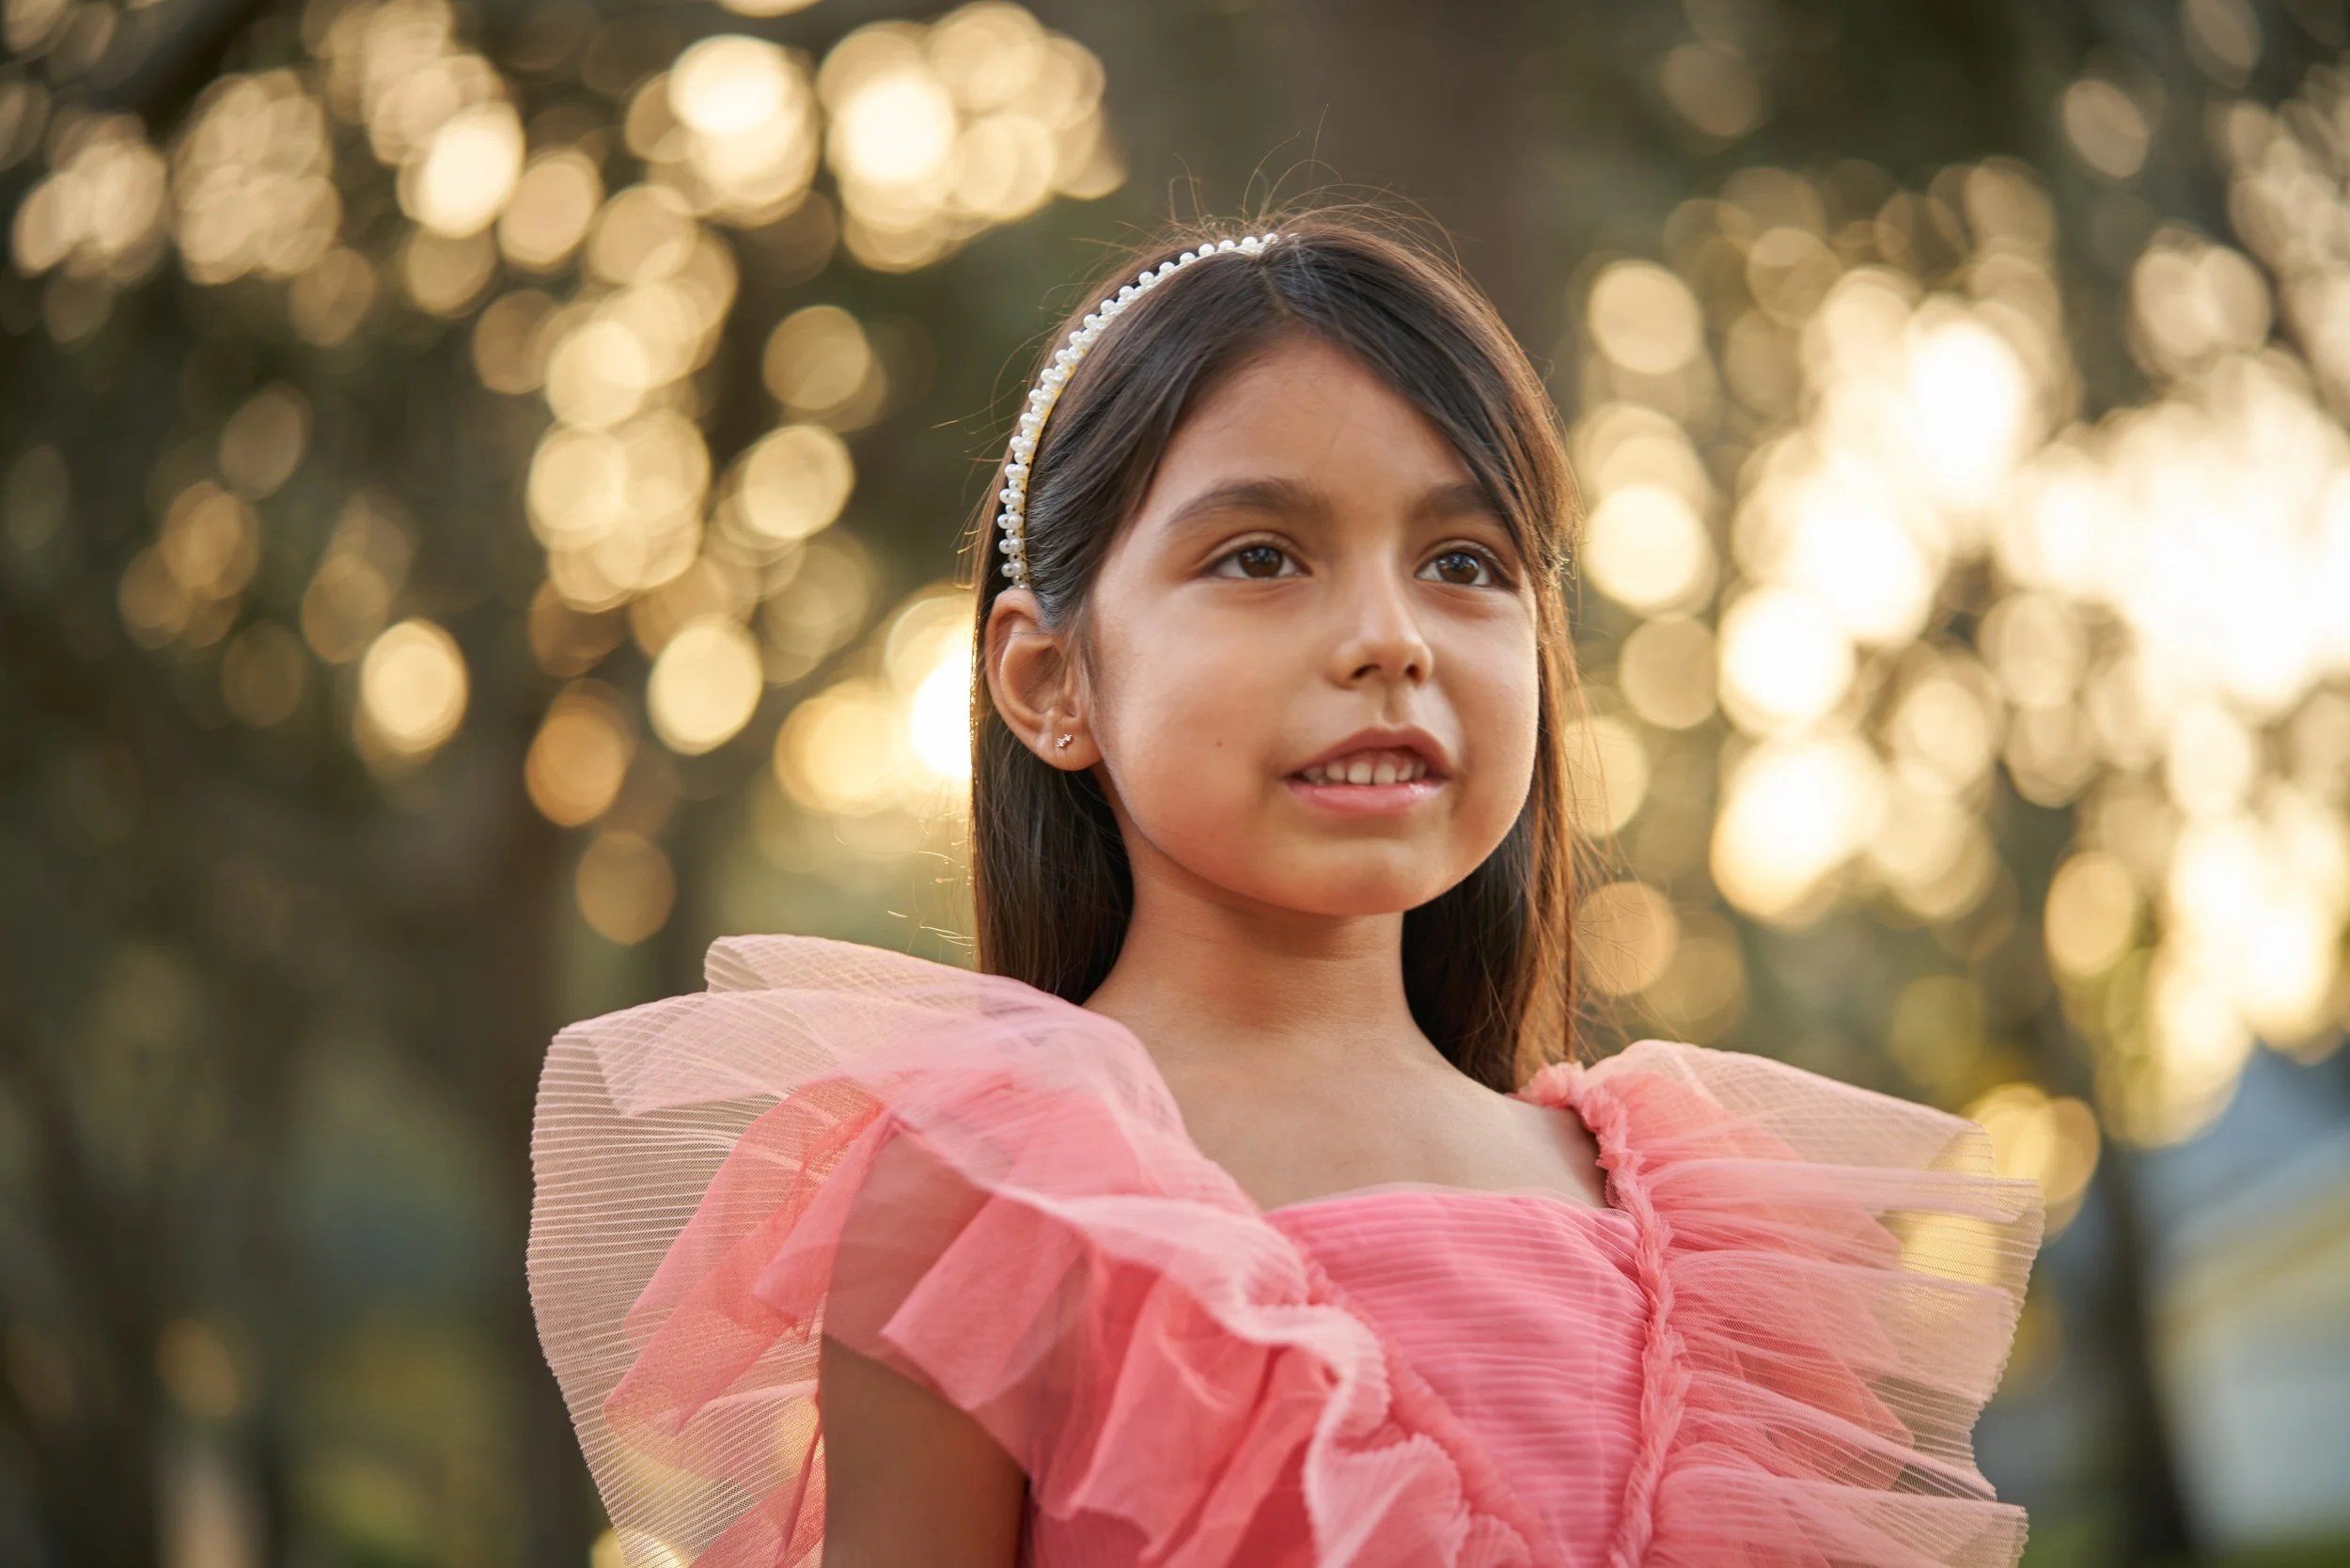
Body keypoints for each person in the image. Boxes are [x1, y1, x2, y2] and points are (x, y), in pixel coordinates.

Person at [527, 212, 2045, 1568]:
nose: (1390, 637)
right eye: (1261, 557)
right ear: (1049, 683)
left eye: (1465, 562)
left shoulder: (1691, 1230)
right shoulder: (989, 1191)